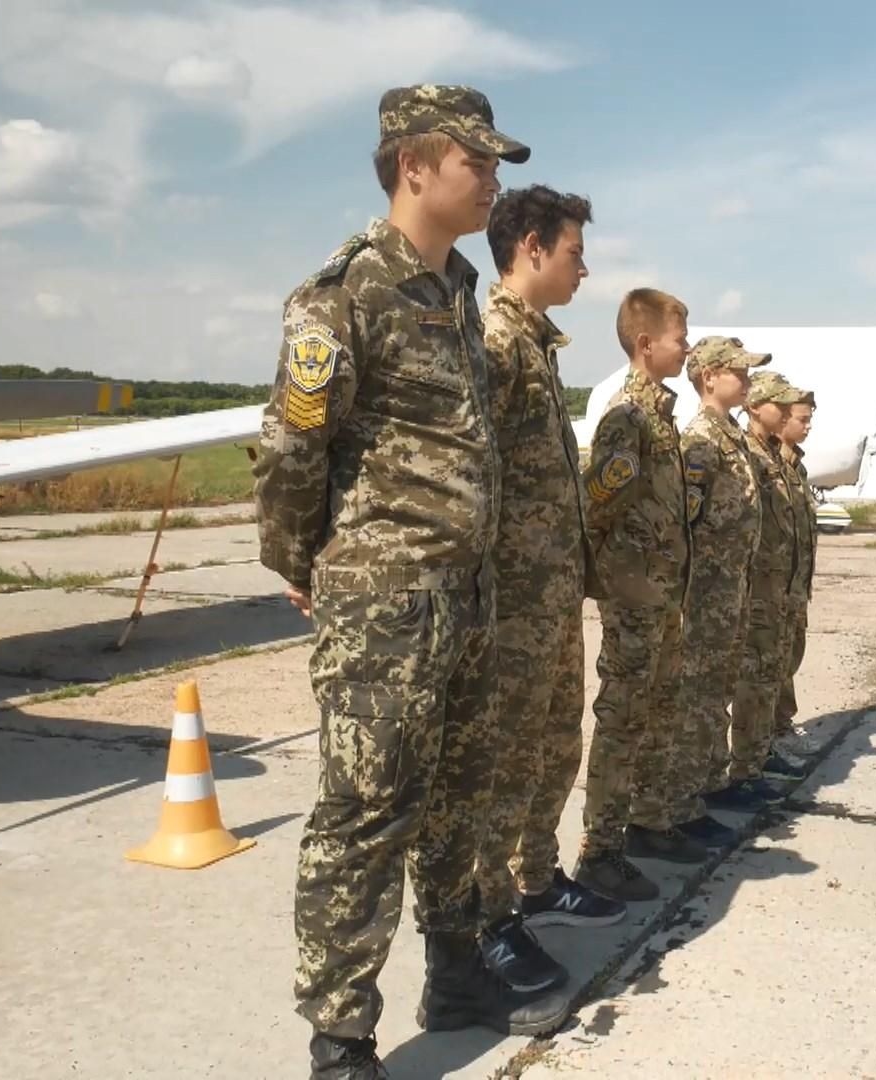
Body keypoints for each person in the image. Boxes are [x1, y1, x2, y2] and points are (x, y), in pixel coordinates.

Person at [252, 84, 562, 1080]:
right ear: (416, 164)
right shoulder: (343, 293)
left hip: (466, 592)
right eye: (479, 163)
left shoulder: (463, 292)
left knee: (461, 798)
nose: (493, 181)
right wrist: (305, 565)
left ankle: (457, 968)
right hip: (383, 599)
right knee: (367, 807)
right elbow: (295, 450)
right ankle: (341, 1035)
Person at [470, 184, 626, 997]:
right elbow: (474, 474)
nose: (583, 268)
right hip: (513, 602)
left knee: (554, 745)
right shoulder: (494, 339)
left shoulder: (535, 341)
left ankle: (536, 878)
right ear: (532, 246)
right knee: (504, 760)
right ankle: (487, 916)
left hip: (551, 597)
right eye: (573, 252)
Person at [573, 288, 701, 901]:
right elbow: (597, 499)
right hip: (633, 593)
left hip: (662, 592)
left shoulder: (662, 416)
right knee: (623, 717)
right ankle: (599, 850)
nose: (688, 346)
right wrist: (608, 571)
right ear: (647, 344)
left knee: (657, 710)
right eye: (680, 338)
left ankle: (648, 822)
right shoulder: (628, 415)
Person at [674, 336, 772, 830]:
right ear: (709, 376)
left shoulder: (728, 433)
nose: (749, 379)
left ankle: (711, 784)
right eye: (740, 371)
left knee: (718, 689)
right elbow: (686, 521)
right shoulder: (701, 439)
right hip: (709, 589)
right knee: (699, 695)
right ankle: (686, 799)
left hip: (732, 586)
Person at [710, 370, 804, 807]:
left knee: (769, 675)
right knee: (752, 678)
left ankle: (758, 755)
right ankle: (743, 768)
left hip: (778, 586)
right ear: (756, 409)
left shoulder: (772, 456)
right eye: (780, 407)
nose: (787, 415)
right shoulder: (745, 452)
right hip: (755, 587)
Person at [771, 389, 819, 774]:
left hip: (793, 584)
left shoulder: (793, 466)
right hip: (771, 588)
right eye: (801, 418)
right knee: (769, 666)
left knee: (789, 657)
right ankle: (770, 738)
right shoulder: (768, 464)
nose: (807, 425)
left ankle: (780, 727)